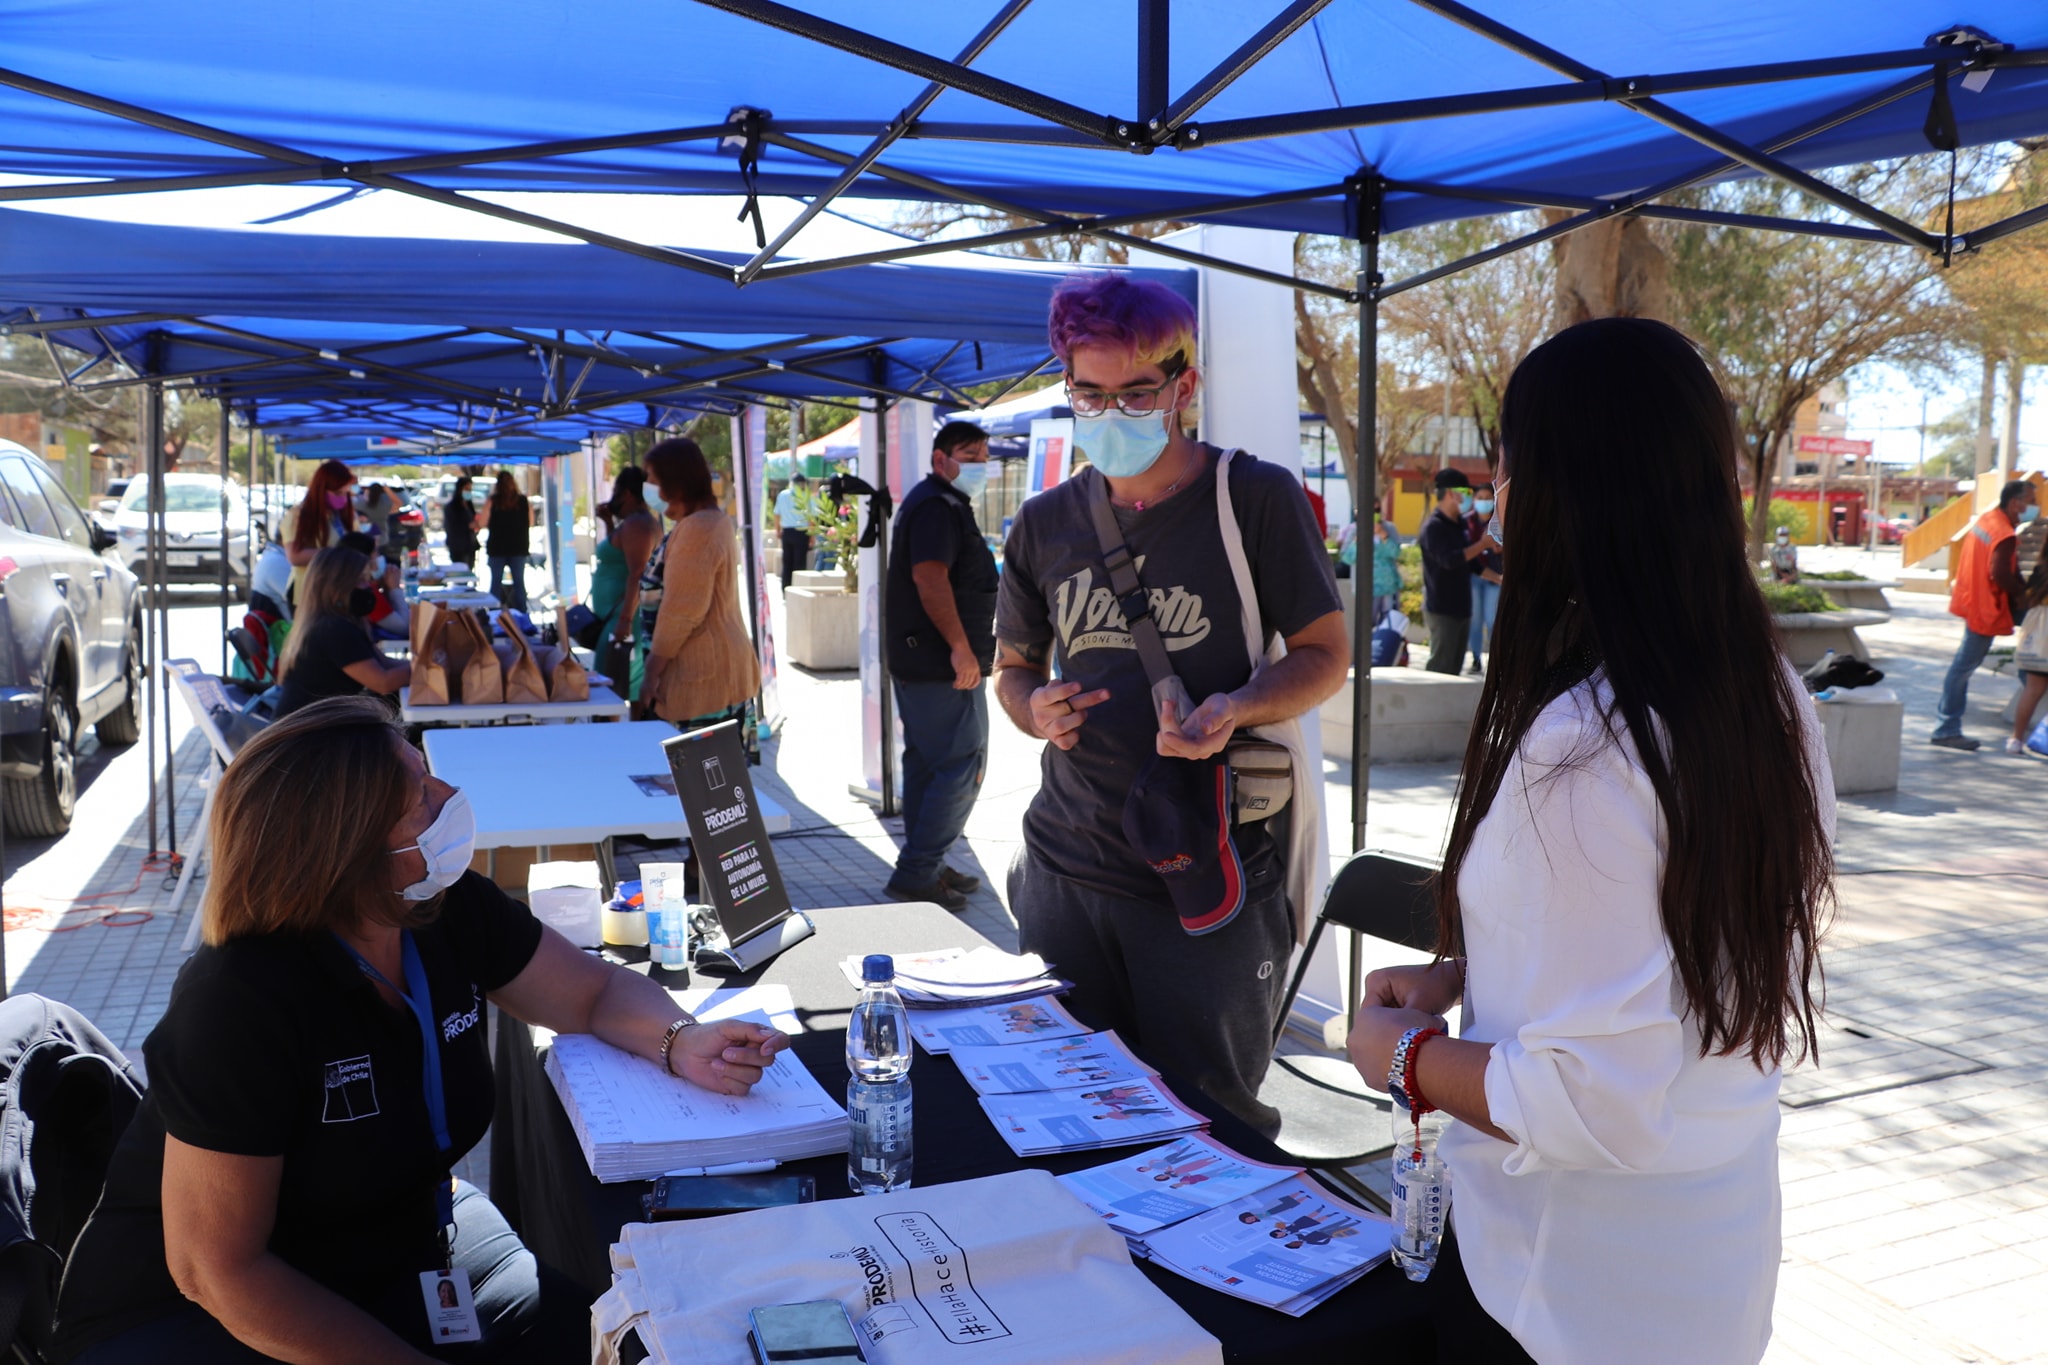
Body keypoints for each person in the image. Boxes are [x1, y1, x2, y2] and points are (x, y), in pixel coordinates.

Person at [1346, 318, 1835, 1364]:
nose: (1497, 503)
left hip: (1560, 1291)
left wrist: (1403, 1058)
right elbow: (1663, 945)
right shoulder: (1769, 694)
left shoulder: (1582, 745)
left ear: (1560, 498)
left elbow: (1593, 1104)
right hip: (1704, 1258)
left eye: (1507, 475)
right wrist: (1479, 970)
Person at [50, 697, 789, 1363]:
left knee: (607, 1340)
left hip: (397, 1245)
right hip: (200, 1315)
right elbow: (215, 1270)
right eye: (420, 797)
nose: (448, 798)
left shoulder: (439, 906)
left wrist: (680, 1040)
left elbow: (591, 991)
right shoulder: (237, 1001)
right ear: (346, 851)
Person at [994, 273, 1346, 1136]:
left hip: (1207, 875)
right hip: (1065, 869)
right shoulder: (1041, 523)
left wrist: (1236, 706)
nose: (1110, 413)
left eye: (1136, 393)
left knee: (1215, 1128)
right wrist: (1034, 707)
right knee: (1071, 1118)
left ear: (1186, 386)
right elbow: (1012, 669)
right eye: (1089, 393)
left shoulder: (1252, 497)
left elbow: (1327, 654)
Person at [882, 420, 998, 912]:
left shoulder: (939, 502)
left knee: (929, 764)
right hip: (939, 662)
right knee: (961, 764)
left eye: (984, 457)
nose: (980, 466)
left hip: (923, 659)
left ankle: (927, 864)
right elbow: (930, 578)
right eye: (970, 457)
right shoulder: (936, 506)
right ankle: (917, 872)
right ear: (940, 460)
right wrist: (960, 647)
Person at [634, 438, 760, 730]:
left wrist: (651, 672)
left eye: (652, 480)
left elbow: (681, 611)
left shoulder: (698, 529)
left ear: (676, 482)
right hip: (716, 675)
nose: (648, 487)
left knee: (697, 761)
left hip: (702, 682)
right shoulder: (707, 521)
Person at [1931, 478, 2037, 751]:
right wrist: (2024, 594)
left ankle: (2032, 705)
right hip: (1987, 605)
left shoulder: (1988, 520)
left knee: (2032, 659)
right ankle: (1946, 729)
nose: (2034, 507)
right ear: (2015, 503)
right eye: (2030, 502)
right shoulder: (2003, 533)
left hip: (1977, 600)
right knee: (1964, 666)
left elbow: (2007, 569)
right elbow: (2000, 573)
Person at [272, 547, 410, 718]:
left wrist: (426, 665)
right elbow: (383, 682)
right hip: (306, 730)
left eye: (367, 579)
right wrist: (427, 671)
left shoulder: (335, 622)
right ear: (336, 586)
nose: (368, 586)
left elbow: (384, 663)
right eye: (360, 580)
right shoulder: (334, 629)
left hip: (311, 723)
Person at [589, 466, 660, 701]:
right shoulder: (634, 523)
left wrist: (625, 620)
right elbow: (621, 555)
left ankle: (613, 723)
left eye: (616, 491)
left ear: (627, 493)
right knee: (622, 681)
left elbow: (637, 574)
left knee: (611, 684)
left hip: (624, 617)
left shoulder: (638, 525)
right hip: (620, 616)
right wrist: (609, 523)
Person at [1418, 468, 1491, 675]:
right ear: (1450, 493)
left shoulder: (1459, 524)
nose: (1469, 497)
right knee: (1440, 671)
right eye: (1466, 492)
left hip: (1462, 608)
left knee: (1453, 673)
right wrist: (1482, 544)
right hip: (1442, 609)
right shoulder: (1434, 527)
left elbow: (1473, 564)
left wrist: (1500, 579)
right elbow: (1450, 560)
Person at [281, 459, 357, 607]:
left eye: (346, 493)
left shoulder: (343, 515)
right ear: (321, 489)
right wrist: (338, 554)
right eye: (338, 493)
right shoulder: (297, 515)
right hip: (308, 595)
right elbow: (295, 556)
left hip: (337, 592)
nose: (343, 498)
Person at [2006, 549, 2048, 756]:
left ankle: (2016, 739)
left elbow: (2028, 598)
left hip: (2039, 638)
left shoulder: (2041, 569)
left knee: (2032, 691)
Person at [1465, 481, 1504, 673]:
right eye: (1480, 498)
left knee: (1492, 619)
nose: (1484, 502)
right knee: (1475, 620)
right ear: (1474, 499)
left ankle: (1495, 660)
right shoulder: (1466, 522)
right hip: (1473, 577)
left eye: (1488, 498)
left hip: (1495, 578)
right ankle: (1475, 658)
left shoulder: (1501, 521)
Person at [484, 472, 532, 613]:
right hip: (518, 547)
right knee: (519, 582)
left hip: (497, 547)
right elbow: (531, 521)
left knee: (495, 582)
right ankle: (522, 613)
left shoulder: (493, 501)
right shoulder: (523, 501)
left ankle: (493, 613)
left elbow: (482, 522)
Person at [775, 473, 812, 591]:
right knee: (799, 563)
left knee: (787, 562)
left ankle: (785, 589)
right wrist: (812, 536)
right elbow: (811, 518)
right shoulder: (806, 496)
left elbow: (777, 514)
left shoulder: (782, 495)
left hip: (787, 532)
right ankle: (798, 589)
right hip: (801, 532)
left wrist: (778, 530)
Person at [1370, 514, 1403, 621]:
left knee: (1388, 618)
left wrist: (1384, 537)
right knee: (1368, 619)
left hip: (1387, 584)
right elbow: (1348, 557)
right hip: (1368, 585)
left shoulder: (1388, 530)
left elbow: (1396, 553)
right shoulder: (1358, 533)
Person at [443, 476, 479, 570]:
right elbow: (450, 526)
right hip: (457, 546)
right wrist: (468, 526)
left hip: (470, 545)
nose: (468, 492)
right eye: (466, 489)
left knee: (469, 570)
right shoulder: (451, 507)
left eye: (470, 489)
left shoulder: (469, 505)